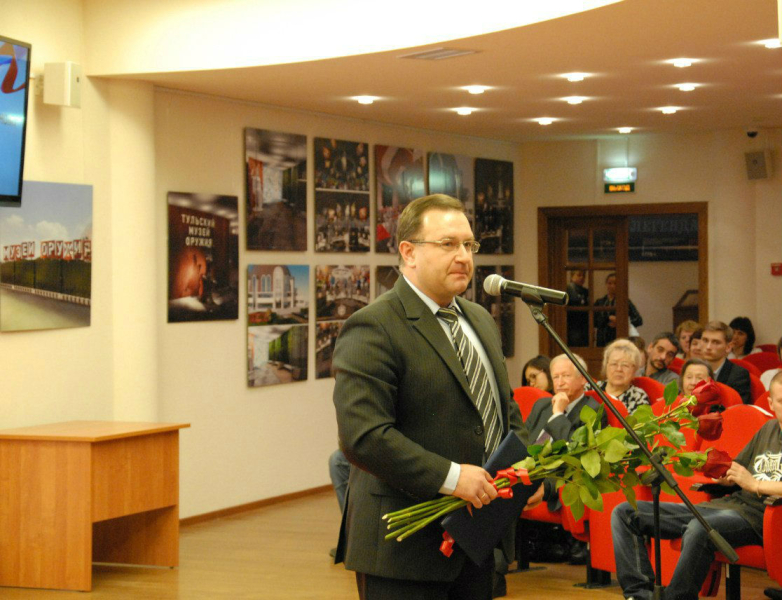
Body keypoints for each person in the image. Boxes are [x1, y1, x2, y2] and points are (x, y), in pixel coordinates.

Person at [332, 194, 531, 600]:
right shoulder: (373, 326)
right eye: (448, 244)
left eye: (469, 245)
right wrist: (453, 478)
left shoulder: (479, 319)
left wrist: (526, 468)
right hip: (404, 550)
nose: (464, 257)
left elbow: (502, 409)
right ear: (408, 252)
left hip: (477, 539)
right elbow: (363, 436)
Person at [611, 371, 782, 600]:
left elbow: (751, 481)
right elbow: (737, 468)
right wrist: (723, 475)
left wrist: (755, 484)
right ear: (771, 404)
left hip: (763, 518)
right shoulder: (768, 429)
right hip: (728, 506)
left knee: (700, 528)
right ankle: (639, 595)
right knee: (626, 513)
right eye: (781, 401)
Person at [523, 353, 605, 565]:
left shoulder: (593, 409)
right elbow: (524, 440)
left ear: (583, 379)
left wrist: (558, 414)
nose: (559, 382)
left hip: (561, 475)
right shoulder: (541, 405)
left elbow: (575, 452)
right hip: (529, 468)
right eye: (556, 377)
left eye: (566, 376)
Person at [701, 321, 751, 404]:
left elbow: (738, 408)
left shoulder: (739, 375)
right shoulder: (692, 370)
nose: (708, 347)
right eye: (705, 340)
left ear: (728, 347)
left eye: (716, 342)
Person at [595, 339, 650, 413]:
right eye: (614, 364)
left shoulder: (638, 397)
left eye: (625, 365)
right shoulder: (592, 388)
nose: (619, 369)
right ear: (606, 366)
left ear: (634, 370)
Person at [594, 273, 643, 347]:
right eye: (609, 283)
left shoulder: (624, 302)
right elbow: (593, 321)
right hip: (602, 340)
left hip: (619, 339)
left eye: (615, 283)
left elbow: (638, 320)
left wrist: (620, 322)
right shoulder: (600, 302)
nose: (612, 286)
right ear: (606, 284)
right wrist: (607, 319)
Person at [566, 269, 590, 347]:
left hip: (584, 327)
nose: (581, 278)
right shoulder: (568, 290)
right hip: (572, 326)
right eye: (579, 275)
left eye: (583, 276)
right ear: (572, 276)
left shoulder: (586, 292)